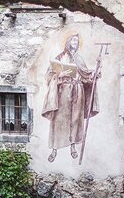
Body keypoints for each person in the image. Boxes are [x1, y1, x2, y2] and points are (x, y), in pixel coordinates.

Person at [41, 34, 99, 162]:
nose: (75, 42)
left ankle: (73, 147)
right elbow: (49, 76)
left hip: (78, 92)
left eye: (77, 41)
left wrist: (95, 73)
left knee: (75, 120)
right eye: (73, 40)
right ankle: (54, 149)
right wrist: (59, 75)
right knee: (59, 120)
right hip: (63, 92)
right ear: (68, 42)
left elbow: (86, 75)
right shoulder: (60, 57)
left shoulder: (79, 59)